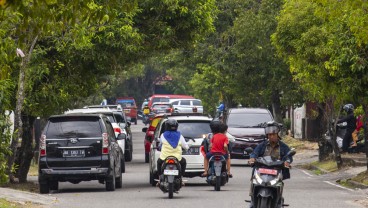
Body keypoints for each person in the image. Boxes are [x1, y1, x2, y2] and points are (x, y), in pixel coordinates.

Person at [248, 121, 293, 208]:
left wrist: (287, 161)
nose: (271, 136)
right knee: (254, 181)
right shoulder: (262, 145)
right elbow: (254, 153)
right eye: (269, 135)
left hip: (276, 170)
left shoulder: (284, 147)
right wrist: (252, 158)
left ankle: (278, 198)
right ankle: (252, 198)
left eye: (273, 134)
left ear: (278, 134)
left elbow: (288, 156)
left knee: (280, 183)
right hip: (261, 170)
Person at [157, 119, 189, 186]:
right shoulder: (180, 136)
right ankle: (181, 178)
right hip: (177, 157)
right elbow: (186, 146)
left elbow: (160, 144)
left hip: (165, 157)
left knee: (159, 162)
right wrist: (187, 147)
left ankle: (160, 179)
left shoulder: (163, 135)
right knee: (183, 162)